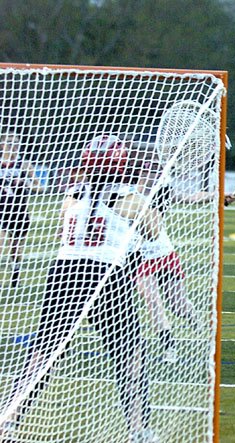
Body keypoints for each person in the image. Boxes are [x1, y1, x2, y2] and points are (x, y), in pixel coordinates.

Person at [4, 135, 161, 443]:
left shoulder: (71, 196)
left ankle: (8, 420)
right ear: (121, 164)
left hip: (63, 273)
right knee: (129, 355)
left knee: (42, 353)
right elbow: (156, 239)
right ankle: (138, 429)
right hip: (105, 276)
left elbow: (63, 231)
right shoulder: (133, 201)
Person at [134, 161, 211, 363]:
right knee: (152, 300)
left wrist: (217, 195)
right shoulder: (127, 194)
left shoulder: (160, 193)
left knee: (177, 305)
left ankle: (195, 319)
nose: (154, 177)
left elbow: (190, 197)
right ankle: (169, 347)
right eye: (149, 173)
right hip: (139, 258)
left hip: (163, 253)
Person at [0, 132, 45, 288]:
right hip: (1, 210)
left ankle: (15, 277)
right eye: (10, 142)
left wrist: (25, 183)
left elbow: (40, 187)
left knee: (16, 248)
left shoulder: (24, 165)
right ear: (2, 145)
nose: (14, 146)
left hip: (19, 211)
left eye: (17, 143)